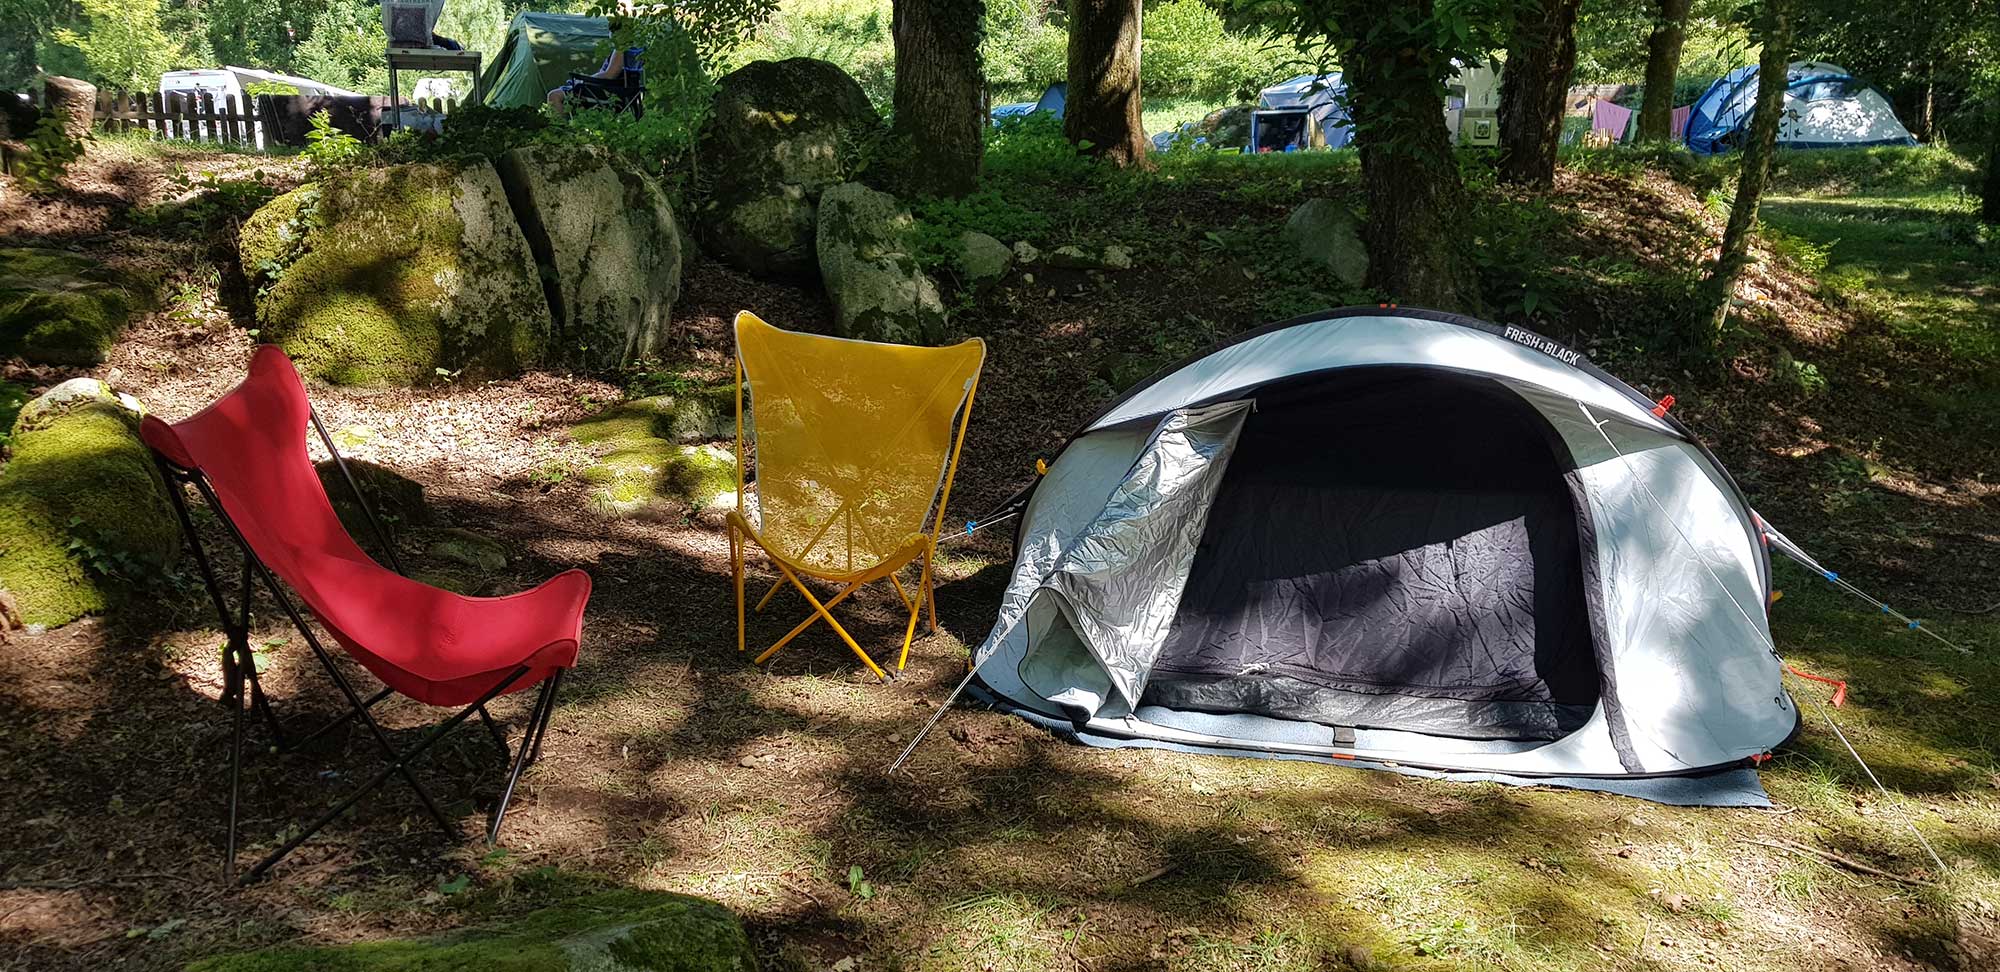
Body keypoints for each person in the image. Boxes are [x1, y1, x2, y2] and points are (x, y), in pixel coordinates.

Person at [547, 48, 639, 114]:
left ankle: (563, 131)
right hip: (619, 91)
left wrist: (583, 80)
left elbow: (610, 74)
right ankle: (570, 129)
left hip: (608, 93)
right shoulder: (635, 51)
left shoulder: (621, 48)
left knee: (554, 95)